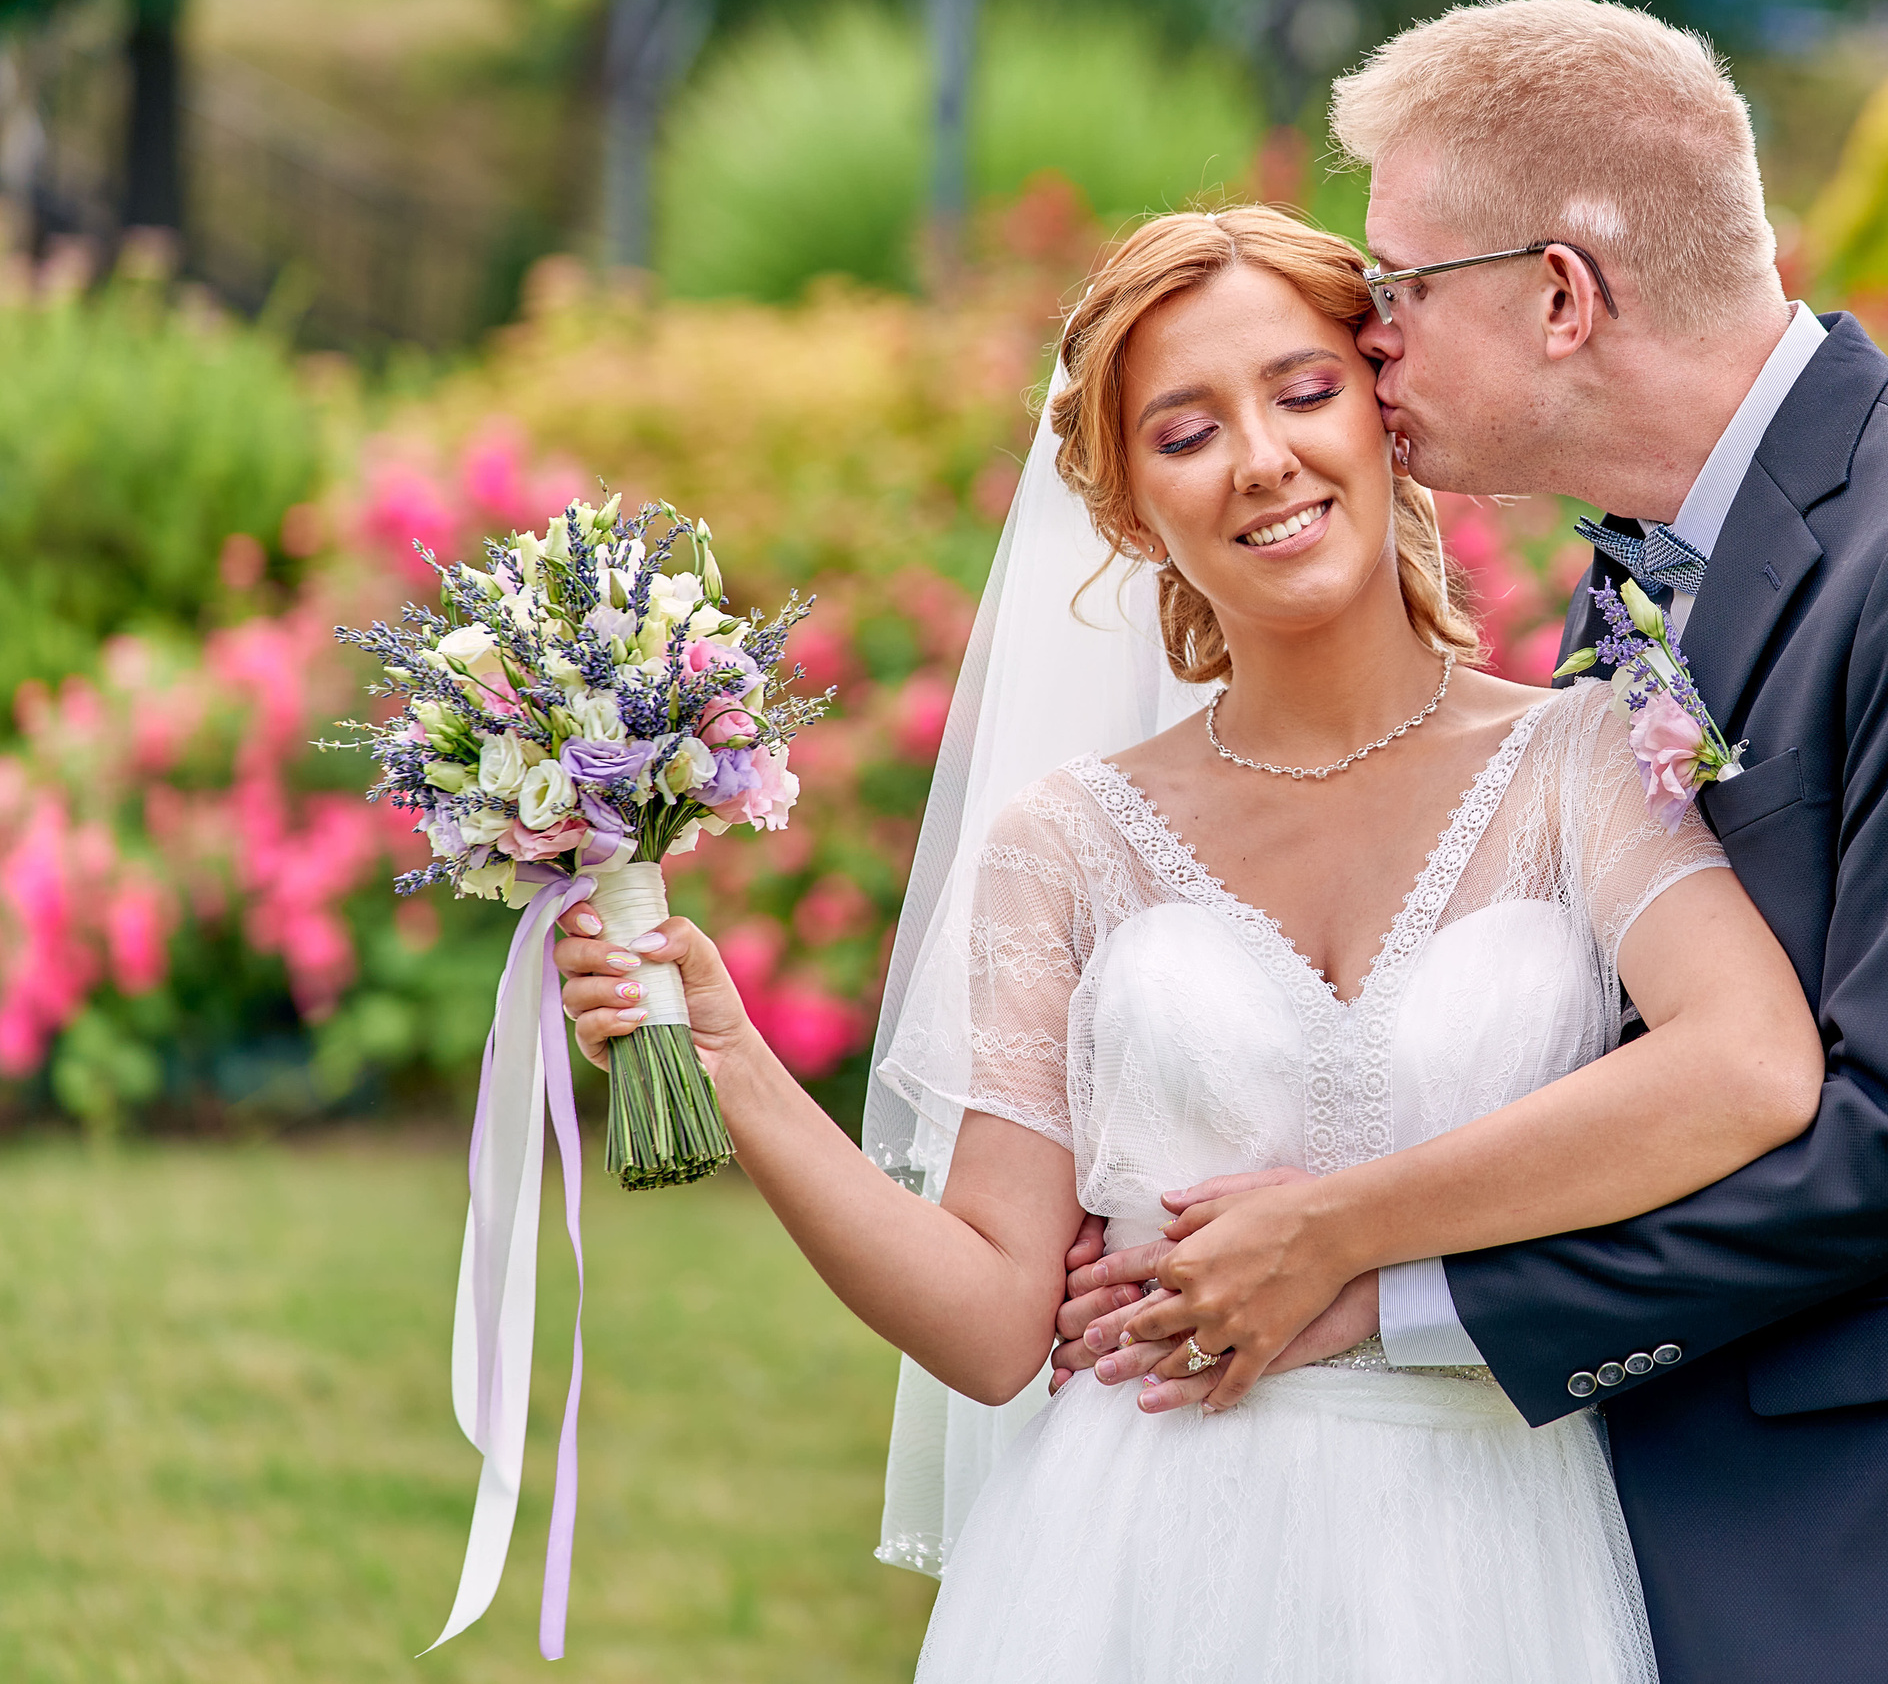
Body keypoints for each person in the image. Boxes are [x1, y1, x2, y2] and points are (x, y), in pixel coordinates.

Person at [1052, 0, 1888, 1684]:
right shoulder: (1641, 578)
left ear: (1561, 293)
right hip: (1710, 1534)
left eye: (1398, 289)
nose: (1373, 339)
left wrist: (1373, 1291)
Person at [556, 201, 1823, 1680]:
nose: (1263, 460)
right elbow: (986, 1324)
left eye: (1303, 392)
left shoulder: (1581, 761)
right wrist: (740, 1072)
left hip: (1493, 1560)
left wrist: (1333, 1231)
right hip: (1138, 1565)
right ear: (1124, 508)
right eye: (1184, 431)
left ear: (1386, 410)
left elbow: (1750, 1067)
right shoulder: (1067, 843)